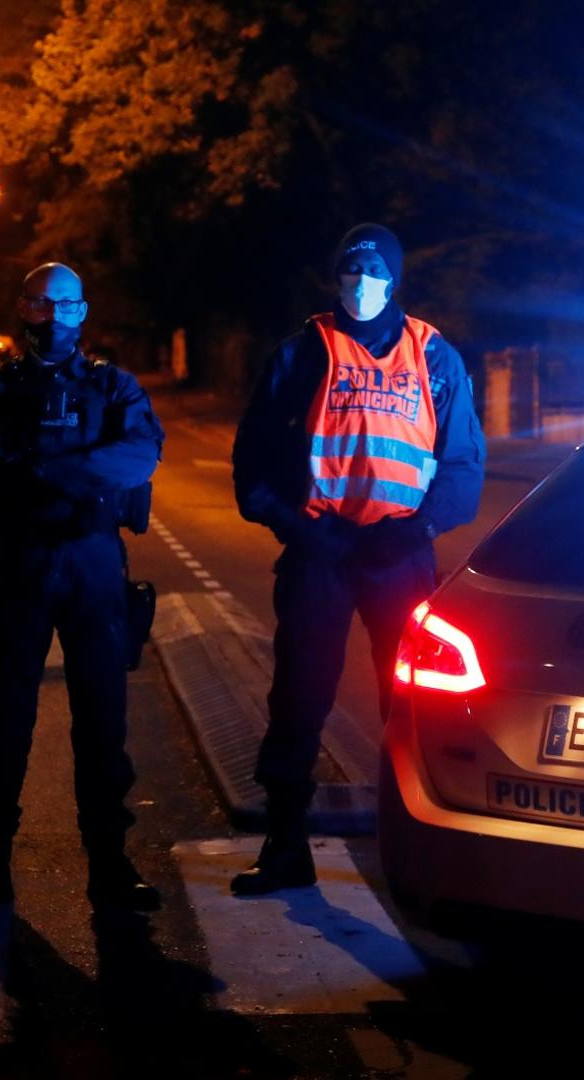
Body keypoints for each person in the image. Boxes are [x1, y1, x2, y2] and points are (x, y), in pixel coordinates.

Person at [231, 223, 486, 894]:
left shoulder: (435, 358)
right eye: (350, 268)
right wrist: (296, 526)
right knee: (299, 697)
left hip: (398, 556)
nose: (361, 280)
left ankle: (422, 850)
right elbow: (251, 464)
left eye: (373, 270)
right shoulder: (302, 353)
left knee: (412, 704)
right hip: (321, 552)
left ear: (394, 278)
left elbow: (463, 465)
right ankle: (285, 845)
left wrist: (419, 528)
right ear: (335, 276)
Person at [0, 262, 164, 913]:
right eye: (40, 303)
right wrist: (71, 475)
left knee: (103, 721)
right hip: (22, 563)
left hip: (94, 565)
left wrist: (39, 472)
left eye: (63, 303)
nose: (52, 316)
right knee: (3, 718)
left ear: (82, 311)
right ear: (23, 308)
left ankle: (111, 866)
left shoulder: (114, 386)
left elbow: (140, 455)